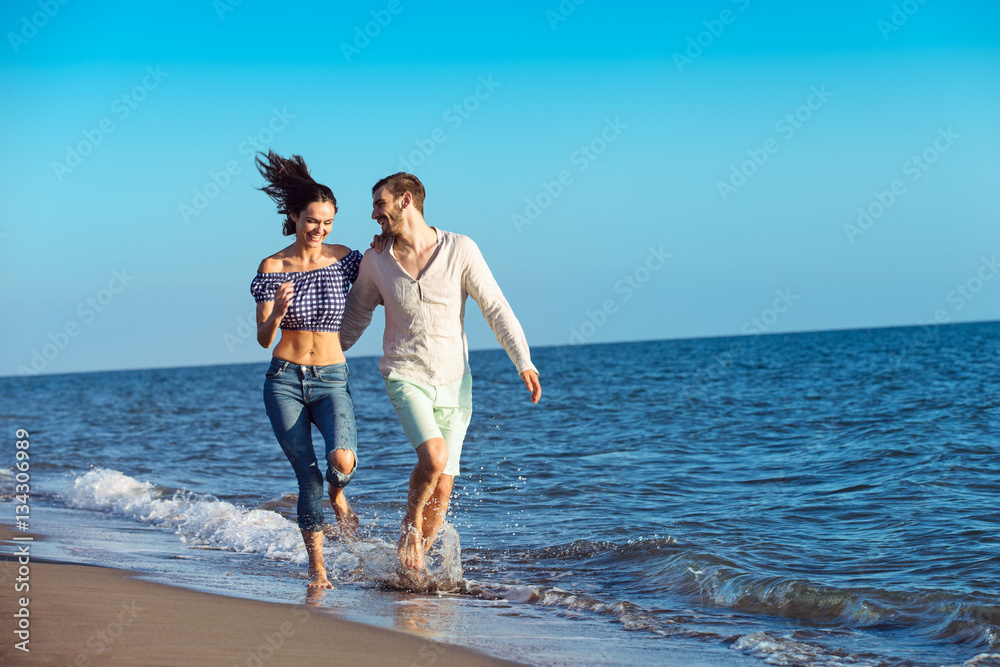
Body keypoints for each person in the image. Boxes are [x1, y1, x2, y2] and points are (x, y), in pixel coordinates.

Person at [339, 172, 541, 581]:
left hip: (455, 382)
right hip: (405, 373)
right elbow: (356, 316)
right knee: (433, 457)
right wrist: (323, 354)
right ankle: (409, 532)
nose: (374, 213)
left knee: (444, 486)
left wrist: (523, 360)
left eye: (380, 204)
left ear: (405, 200)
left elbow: (495, 307)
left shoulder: (460, 248)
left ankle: (412, 573)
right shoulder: (375, 261)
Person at [250, 151, 362, 590]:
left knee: (343, 459)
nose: (320, 230)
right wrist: (277, 311)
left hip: (332, 378)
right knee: (307, 474)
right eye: (312, 221)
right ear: (294, 216)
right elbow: (262, 337)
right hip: (284, 381)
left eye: (327, 222)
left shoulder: (345, 259)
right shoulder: (272, 267)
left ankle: (339, 493)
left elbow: (383, 277)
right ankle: (317, 567)